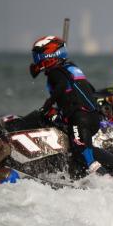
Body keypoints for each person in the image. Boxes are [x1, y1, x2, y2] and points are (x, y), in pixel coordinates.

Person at [30, 35, 102, 174]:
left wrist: (47, 105)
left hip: (80, 119)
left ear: (49, 55)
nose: (36, 60)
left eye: (38, 56)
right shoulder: (72, 68)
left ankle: (105, 182)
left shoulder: (55, 73)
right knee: (76, 153)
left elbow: (61, 86)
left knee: (85, 155)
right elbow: (90, 89)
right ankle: (76, 176)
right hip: (93, 117)